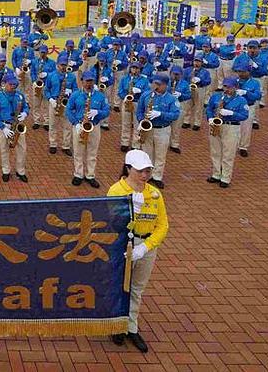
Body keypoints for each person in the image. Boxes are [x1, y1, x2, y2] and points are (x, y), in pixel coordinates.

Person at [106, 149, 169, 353]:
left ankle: (131, 327)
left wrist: (145, 247)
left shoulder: (154, 193)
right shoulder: (116, 191)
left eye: (148, 171)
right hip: (123, 247)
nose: (145, 175)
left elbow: (163, 225)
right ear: (128, 168)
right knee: (120, 287)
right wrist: (132, 213)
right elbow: (112, 222)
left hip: (146, 248)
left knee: (137, 289)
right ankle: (117, 326)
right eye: (140, 171)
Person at [65, 70, 111, 188]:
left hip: (94, 127)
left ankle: (90, 175)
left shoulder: (100, 96)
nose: (89, 84)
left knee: (92, 153)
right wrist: (76, 123)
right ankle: (78, 174)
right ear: (82, 81)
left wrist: (98, 112)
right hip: (79, 126)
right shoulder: (76, 95)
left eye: (91, 81)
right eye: (87, 81)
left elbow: (106, 111)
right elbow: (68, 110)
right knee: (78, 152)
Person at [134, 74, 181, 189]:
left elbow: (175, 115)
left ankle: (157, 177)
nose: (155, 86)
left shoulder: (171, 99)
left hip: (162, 129)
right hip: (148, 128)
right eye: (154, 83)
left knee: (160, 154)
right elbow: (139, 111)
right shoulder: (146, 95)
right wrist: (141, 121)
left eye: (159, 84)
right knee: (147, 153)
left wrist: (161, 114)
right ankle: (147, 175)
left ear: (165, 85)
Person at [204, 77, 250, 188]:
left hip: (231, 127)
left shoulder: (241, 100)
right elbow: (209, 109)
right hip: (216, 125)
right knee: (215, 151)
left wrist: (231, 113)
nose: (227, 89)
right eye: (225, 86)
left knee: (228, 153)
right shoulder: (216, 96)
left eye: (229, 87)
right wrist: (210, 118)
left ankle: (225, 177)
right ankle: (216, 174)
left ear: (236, 87)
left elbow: (244, 115)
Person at [0, 73, 29, 182]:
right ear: (4, 84)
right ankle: (6, 171)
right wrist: (3, 127)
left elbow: (26, 107)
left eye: (14, 84)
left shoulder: (20, 95)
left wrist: (25, 113)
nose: (13, 86)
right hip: (5, 126)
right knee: (4, 149)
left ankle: (20, 171)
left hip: (17, 125)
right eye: (11, 84)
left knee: (22, 149)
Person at [44, 52, 78, 155]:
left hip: (66, 103)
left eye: (65, 65)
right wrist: (51, 99)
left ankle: (66, 145)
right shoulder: (51, 76)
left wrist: (71, 92)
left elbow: (76, 89)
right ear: (57, 65)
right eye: (61, 65)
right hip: (54, 102)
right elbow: (46, 90)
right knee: (53, 125)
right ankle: (53, 144)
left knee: (67, 125)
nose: (63, 67)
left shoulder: (71, 76)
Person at [232, 60, 262, 157]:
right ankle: (234, 145)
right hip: (235, 106)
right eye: (239, 71)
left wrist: (246, 93)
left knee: (246, 128)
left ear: (249, 72)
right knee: (235, 127)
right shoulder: (234, 81)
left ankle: (243, 147)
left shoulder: (255, 83)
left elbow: (257, 96)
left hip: (248, 106)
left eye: (243, 71)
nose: (240, 73)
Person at [184, 55, 211, 132]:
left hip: (200, 89)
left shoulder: (205, 72)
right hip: (189, 88)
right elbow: (183, 79)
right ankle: (186, 121)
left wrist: (200, 80)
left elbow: (208, 81)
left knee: (199, 106)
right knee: (187, 105)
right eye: (195, 61)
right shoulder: (188, 70)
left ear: (202, 63)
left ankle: (197, 123)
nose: (196, 63)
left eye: (198, 61)